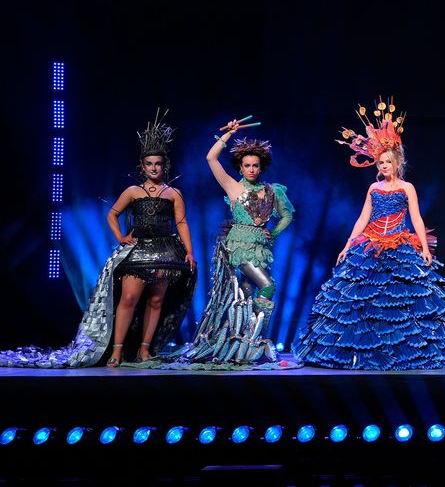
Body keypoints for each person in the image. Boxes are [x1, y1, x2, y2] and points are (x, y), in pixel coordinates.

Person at [0, 111, 197, 368]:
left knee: (156, 300)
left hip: (165, 251)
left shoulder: (173, 193)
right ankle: (115, 350)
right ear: (143, 166)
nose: (154, 168)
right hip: (137, 251)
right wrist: (120, 237)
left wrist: (189, 252)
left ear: (164, 165)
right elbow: (113, 214)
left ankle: (145, 350)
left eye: (158, 164)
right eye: (149, 164)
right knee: (128, 299)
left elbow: (181, 222)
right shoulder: (133, 191)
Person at [294, 98, 445, 370]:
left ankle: (401, 353)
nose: (384, 165)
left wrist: (424, 248)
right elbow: (363, 218)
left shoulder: (407, 187)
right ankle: (364, 354)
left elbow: (416, 219)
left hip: (399, 243)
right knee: (364, 300)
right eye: (380, 162)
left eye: (388, 161)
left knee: (400, 302)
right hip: (371, 244)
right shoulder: (374, 189)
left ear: (397, 162)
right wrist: (347, 245)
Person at [172, 117, 294, 366]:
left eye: (255, 165)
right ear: (240, 167)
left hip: (261, 248)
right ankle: (257, 338)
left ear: (261, 167)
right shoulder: (233, 187)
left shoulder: (272, 191)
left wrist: (275, 232)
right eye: (247, 165)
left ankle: (241, 344)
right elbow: (210, 159)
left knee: (247, 294)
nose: (251, 169)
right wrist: (228, 133)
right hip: (239, 246)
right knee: (268, 286)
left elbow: (287, 215)